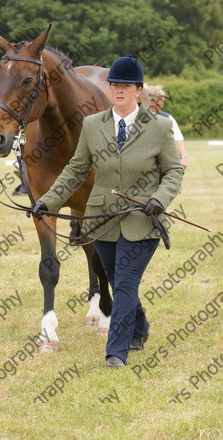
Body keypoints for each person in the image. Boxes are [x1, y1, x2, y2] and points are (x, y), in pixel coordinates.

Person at [32, 55, 184, 368]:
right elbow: (76, 169)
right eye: (115, 84)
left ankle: (117, 351)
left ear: (139, 91)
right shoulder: (92, 125)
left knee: (125, 283)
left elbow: (173, 172)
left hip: (143, 218)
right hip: (101, 221)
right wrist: (49, 200)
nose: (119, 90)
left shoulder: (159, 127)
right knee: (116, 279)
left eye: (126, 86)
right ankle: (140, 328)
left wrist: (161, 197)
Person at [145, 84, 187, 169]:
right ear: (147, 102)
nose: (158, 109)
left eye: (161, 105)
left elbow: (178, 139)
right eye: (155, 106)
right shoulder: (136, 118)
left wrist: (183, 158)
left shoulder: (168, 118)